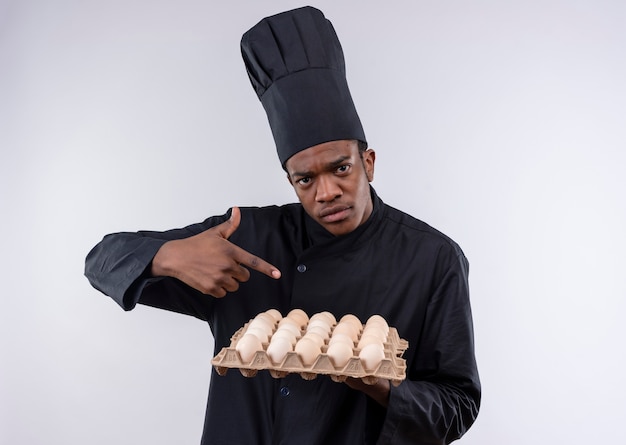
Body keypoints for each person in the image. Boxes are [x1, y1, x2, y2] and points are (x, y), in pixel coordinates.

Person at [85, 6, 480, 445]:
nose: (326, 191)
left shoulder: (431, 259)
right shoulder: (242, 238)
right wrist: (168, 257)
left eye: (341, 168)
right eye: (306, 178)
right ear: (290, 181)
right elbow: (101, 260)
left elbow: (457, 405)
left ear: (368, 163)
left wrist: (381, 384)